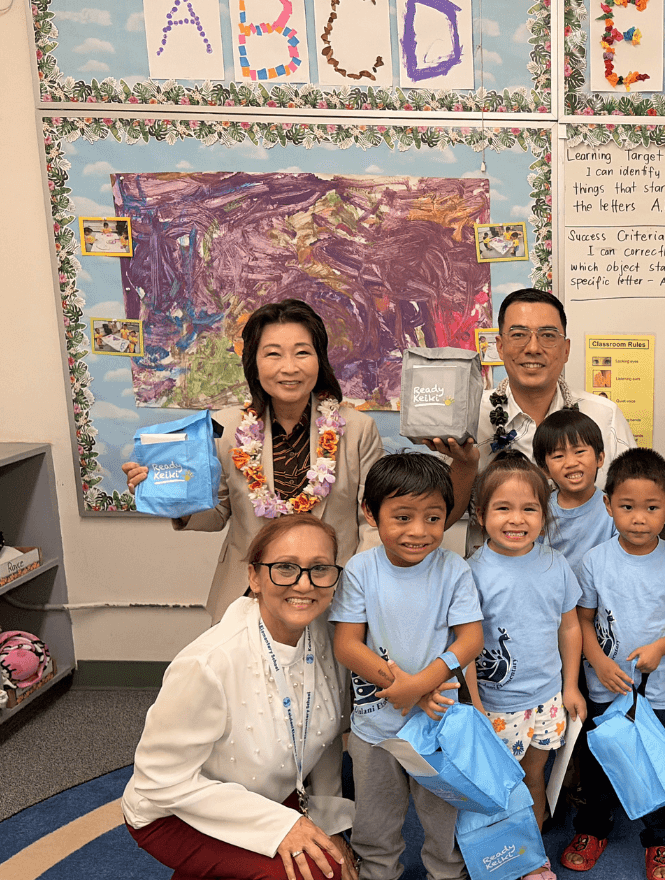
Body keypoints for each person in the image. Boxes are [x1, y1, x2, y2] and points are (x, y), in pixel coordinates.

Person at [123, 514, 358, 880]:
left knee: (336, 863)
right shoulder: (208, 663)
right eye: (285, 568)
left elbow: (326, 741)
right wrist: (280, 826)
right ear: (254, 577)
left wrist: (330, 826)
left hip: (266, 790)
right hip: (172, 808)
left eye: (320, 569)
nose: (304, 583)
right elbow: (160, 781)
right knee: (311, 872)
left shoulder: (325, 637)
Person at [123, 299, 384, 623]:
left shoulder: (358, 429)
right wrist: (167, 490)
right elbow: (217, 512)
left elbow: (373, 521)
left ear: (320, 359)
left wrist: (355, 592)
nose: (289, 367)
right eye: (273, 354)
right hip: (249, 596)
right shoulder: (226, 428)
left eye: (302, 352)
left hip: (333, 595)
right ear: (253, 363)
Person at [330, 453, 485, 880]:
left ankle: (448, 874)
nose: (419, 531)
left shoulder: (454, 569)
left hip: (438, 725)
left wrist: (420, 685)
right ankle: (378, 872)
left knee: (444, 819)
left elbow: (471, 639)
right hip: (374, 728)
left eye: (433, 518)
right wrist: (403, 686)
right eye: (402, 517)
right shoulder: (361, 569)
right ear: (370, 512)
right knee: (375, 822)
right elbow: (346, 645)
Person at [565, 448, 665, 880]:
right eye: (627, 507)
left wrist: (661, 647)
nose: (639, 518)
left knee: (659, 763)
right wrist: (597, 660)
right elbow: (582, 618)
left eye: (652, 508)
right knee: (600, 761)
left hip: (657, 691)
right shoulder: (595, 562)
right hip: (606, 685)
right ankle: (594, 828)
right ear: (608, 506)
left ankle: (661, 840)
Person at [428, 288, 635, 549]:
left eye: (548, 336)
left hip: (588, 582)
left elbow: (636, 510)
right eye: (518, 335)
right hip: (498, 583)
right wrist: (466, 466)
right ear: (500, 347)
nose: (533, 348)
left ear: (566, 349)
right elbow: (439, 520)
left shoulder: (604, 416)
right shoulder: (467, 416)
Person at [468, 452, 587, 880]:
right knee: (499, 787)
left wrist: (570, 686)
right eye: (503, 507)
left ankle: (529, 857)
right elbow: (462, 644)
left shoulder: (555, 565)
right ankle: (498, 859)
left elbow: (569, 627)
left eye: (529, 508)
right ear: (480, 515)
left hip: (545, 700)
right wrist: (475, 701)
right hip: (495, 706)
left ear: (544, 513)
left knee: (533, 777)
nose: (516, 519)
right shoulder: (473, 572)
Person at [533, 410, 617, 574]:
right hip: (555, 596)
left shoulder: (614, 508)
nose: (571, 463)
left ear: (600, 459)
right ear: (545, 469)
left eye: (579, 452)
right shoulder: (540, 510)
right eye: (558, 456)